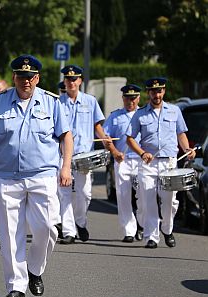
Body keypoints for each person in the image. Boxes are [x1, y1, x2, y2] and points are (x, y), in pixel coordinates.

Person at [0, 55, 73, 297]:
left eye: (30, 77)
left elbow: (66, 136)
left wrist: (66, 167)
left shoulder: (51, 102)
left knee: (48, 228)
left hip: (43, 175)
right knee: (9, 235)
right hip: (5, 176)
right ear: (14, 78)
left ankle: (35, 269)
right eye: (21, 76)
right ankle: (16, 286)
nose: (25, 81)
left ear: (37, 78)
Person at [126, 77, 195, 249]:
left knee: (170, 201)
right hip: (148, 163)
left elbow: (181, 133)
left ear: (164, 91)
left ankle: (167, 229)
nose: (157, 94)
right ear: (148, 92)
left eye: (160, 91)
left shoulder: (174, 111)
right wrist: (142, 153)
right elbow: (130, 139)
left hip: (169, 163)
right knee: (148, 200)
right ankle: (152, 236)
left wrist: (186, 149)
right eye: (153, 91)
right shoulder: (140, 114)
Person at [57, 65, 116, 244]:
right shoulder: (57, 102)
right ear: (65, 82)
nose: (71, 82)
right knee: (64, 194)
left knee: (84, 194)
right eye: (68, 79)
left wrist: (105, 139)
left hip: (84, 156)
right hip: (62, 156)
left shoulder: (90, 101)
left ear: (80, 81)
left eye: (74, 79)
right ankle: (69, 232)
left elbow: (97, 126)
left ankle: (80, 222)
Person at [103, 84, 144, 242]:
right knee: (123, 196)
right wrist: (114, 152)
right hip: (123, 160)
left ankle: (141, 224)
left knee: (144, 196)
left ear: (138, 98)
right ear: (123, 98)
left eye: (133, 98)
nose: (130, 101)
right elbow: (106, 138)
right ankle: (129, 230)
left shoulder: (144, 114)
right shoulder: (115, 116)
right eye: (127, 98)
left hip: (142, 161)